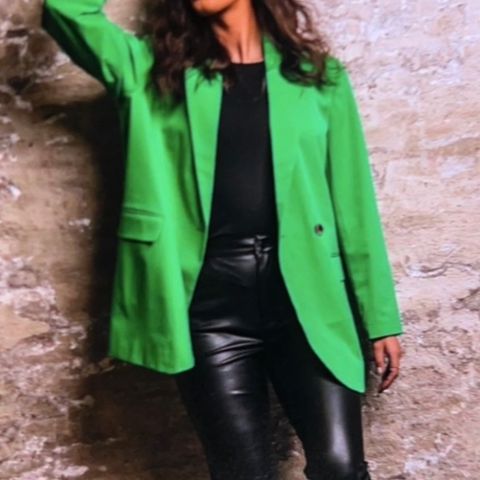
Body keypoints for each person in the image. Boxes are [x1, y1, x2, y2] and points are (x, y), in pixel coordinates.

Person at [41, 0, 405, 479]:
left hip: (307, 294)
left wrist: (381, 317)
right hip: (210, 306)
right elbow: (66, 11)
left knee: (340, 467)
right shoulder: (150, 70)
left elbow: (354, 205)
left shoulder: (319, 78)